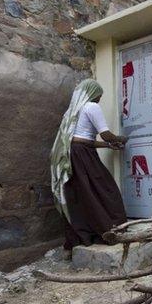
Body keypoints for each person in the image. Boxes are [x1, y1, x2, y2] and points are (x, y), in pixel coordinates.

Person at [50, 79, 128, 258]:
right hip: (83, 154)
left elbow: (81, 139)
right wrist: (120, 139)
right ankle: (111, 229)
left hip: (73, 154)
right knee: (105, 189)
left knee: (81, 195)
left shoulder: (73, 111)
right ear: (93, 94)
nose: (100, 99)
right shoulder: (91, 107)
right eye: (99, 95)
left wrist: (108, 147)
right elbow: (106, 134)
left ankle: (81, 236)